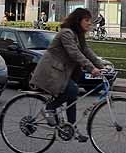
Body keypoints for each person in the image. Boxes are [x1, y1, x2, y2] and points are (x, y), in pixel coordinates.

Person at [29, 8, 106, 141]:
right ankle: (49, 108)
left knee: (73, 96)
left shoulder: (77, 35)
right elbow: (74, 53)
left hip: (63, 71)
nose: (89, 23)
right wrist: (91, 68)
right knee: (73, 90)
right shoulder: (66, 33)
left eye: (90, 21)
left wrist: (101, 65)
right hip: (52, 71)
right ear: (78, 20)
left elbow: (86, 51)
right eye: (86, 20)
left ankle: (72, 127)